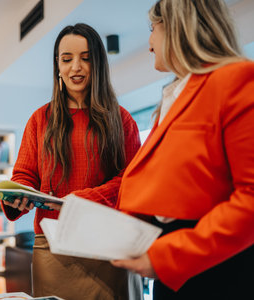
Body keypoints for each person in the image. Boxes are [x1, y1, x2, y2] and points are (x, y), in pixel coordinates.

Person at [111, 0, 254, 299]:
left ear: (177, 26)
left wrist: (167, 256)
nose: (149, 44)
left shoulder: (236, 80)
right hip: (171, 269)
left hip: (217, 269)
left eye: (153, 29)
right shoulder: (172, 97)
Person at [0, 23, 141, 300]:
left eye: (85, 58)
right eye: (67, 59)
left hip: (107, 247)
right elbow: (25, 174)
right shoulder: (40, 119)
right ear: (57, 66)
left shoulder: (121, 120)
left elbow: (132, 180)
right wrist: (18, 194)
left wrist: (85, 198)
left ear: (98, 63)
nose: (76, 67)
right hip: (54, 249)